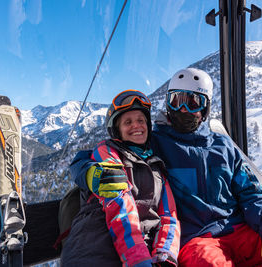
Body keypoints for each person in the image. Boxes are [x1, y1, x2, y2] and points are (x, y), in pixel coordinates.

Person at [72, 68, 262, 267]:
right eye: (176, 101)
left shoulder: (224, 147)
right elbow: (100, 153)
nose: (183, 109)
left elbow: (252, 193)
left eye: (193, 103)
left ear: (205, 108)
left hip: (239, 229)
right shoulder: (156, 140)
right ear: (168, 104)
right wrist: (88, 172)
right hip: (196, 238)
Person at [61, 89, 180, 267]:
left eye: (141, 120)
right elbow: (120, 204)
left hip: (138, 246)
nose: (136, 126)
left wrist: (164, 253)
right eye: (128, 122)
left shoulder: (157, 168)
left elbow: (169, 216)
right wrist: (137, 258)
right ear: (117, 130)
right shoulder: (108, 152)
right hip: (96, 243)